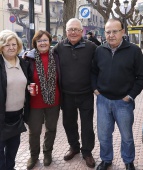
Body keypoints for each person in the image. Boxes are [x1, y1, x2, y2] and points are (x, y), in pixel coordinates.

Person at [91, 18, 143, 170]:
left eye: (115, 31)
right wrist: (95, 89)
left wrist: (130, 96)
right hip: (103, 101)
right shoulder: (99, 50)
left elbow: (141, 77)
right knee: (103, 135)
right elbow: (93, 72)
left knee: (127, 137)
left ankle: (128, 161)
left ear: (123, 32)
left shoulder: (134, 51)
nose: (111, 35)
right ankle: (106, 160)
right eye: (108, 32)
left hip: (124, 103)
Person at [53, 18, 96, 168]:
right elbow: (44, 54)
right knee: (68, 123)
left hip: (86, 94)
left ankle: (87, 152)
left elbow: (99, 67)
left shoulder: (91, 47)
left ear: (82, 31)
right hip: (67, 95)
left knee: (87, 125)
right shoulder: (59, 47)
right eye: (70, 29)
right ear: (66, 31)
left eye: (76, 29)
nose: (73, 32)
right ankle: (74, 147)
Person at [24, 30, 60, 169]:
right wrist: (28, 88)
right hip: (35, 102)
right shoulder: (28, 58)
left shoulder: (56, 56)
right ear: (35, 43)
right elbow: (25, 78)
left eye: (45, 40)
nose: (43, 43)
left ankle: (47, 152)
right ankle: (33, 156)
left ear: (50, 42)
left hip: (54, 100)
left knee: (51, 128)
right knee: (34, 131)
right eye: (39, 41)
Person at [0, 30, 30, 170]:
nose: (11, 47)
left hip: (17, 117)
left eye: (14, 44)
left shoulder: (23, 63)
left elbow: (26, 84)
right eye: (7, 45)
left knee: (12, 153)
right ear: (1, 47)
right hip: (1, 118)